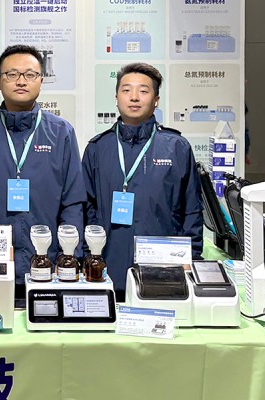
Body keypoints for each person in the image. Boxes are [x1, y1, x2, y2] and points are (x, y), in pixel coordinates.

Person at [0, 44, 85, 302]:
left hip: (46, 264)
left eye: (30, 74)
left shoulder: (61, 132)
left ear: (41, 80)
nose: (21, 81)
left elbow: (72, 202)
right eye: (12, 74)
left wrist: (68, 257)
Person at [81, 62, 203, 301]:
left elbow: (192, 211)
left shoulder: (176, 147)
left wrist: (192, 259)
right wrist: (88, 257)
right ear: (116, 97)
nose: (134, 97)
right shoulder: (98, 148)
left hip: (163, 273)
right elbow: (86, 209)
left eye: (143, 91)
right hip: (107, 271)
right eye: (126, 90)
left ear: (156, 100)